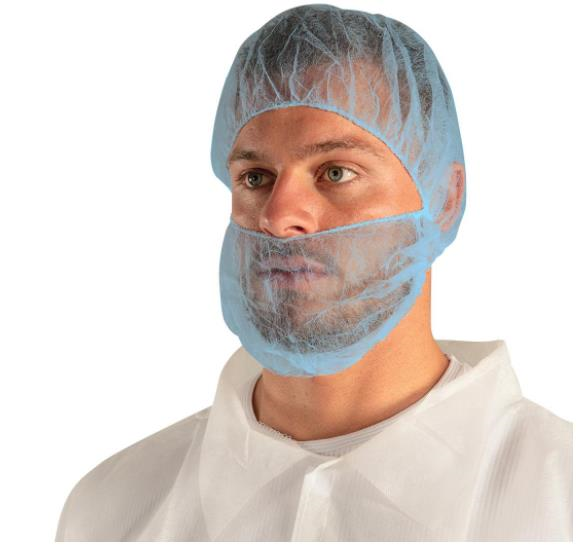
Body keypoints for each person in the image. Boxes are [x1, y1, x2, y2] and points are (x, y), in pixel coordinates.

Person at [55, 4, 572, 541]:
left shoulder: (560, 501)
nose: (279, 217)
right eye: (256, 177)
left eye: (336, 172)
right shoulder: (111, 512)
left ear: (444, 198)